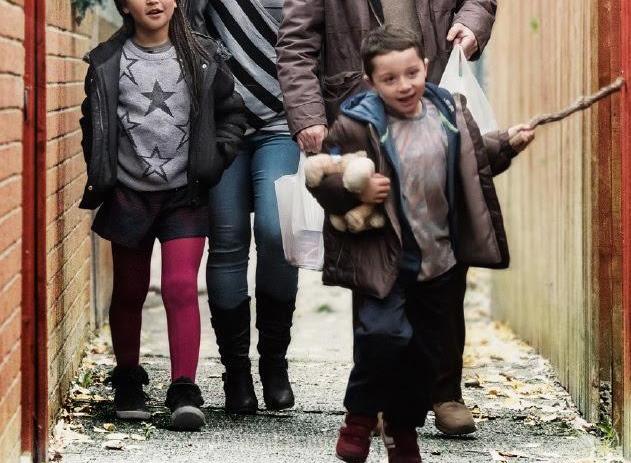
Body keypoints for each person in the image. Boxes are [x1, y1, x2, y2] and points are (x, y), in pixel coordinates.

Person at [308, 25, 535, 462]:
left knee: (424, 354)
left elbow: (473, 158)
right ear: (370, 82)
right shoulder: (357, 124)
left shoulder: (447, 110)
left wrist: (507, 144)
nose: (404, 85)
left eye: (411, 73)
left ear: (426, 67)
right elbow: (322, 178)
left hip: (439, 259)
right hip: (385, 259)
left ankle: (401, 429)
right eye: (390, 79)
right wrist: (356, 189)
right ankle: (360, 415)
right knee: (382, 335)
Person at [276, 0, 497, 435]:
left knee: (445, 258)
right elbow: (297, 42)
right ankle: (378, 395)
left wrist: (472, 25)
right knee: (376, 262)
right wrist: (307, 117)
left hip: (436, 107)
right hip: (363, 116)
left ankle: (445, 391)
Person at [78, 0, 245, 431]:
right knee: (130, 290)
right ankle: (128, 380)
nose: (154, 1)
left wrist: (214, 160)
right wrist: (103, 168)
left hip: (184, 195)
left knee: (179, 286)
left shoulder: (203, 56)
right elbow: (91, 121)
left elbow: (231, 114)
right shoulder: (107, 61)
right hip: (129, 195)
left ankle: (184, 388)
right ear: (123, 5)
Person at [185, 0, 300, 414]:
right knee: (228, 238)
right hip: (220, 123)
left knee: (275, 230)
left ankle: (274, 362)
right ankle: (236, 372)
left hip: (282, 122)